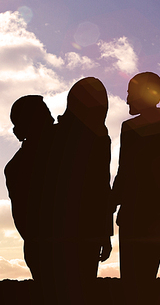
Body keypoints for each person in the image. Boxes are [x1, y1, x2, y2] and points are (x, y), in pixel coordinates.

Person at [113, 72, 160, 301]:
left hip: (136, 217)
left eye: (130, 94)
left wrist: (108, 206)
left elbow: (125, 172)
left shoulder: (130, 128)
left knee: (134, 287)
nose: (127, 99)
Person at [49, 77, 113, 304]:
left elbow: (102, 186)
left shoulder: (101, 137)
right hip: (62, 227)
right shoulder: (56, 135)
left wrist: (105, 232)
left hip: (89, 227)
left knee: (83, 287)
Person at [4, 95, 55, 285]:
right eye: (46, 114)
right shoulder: (62, 151)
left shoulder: (15, 166)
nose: (52, 119)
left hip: (39, 246)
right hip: (51, 246)